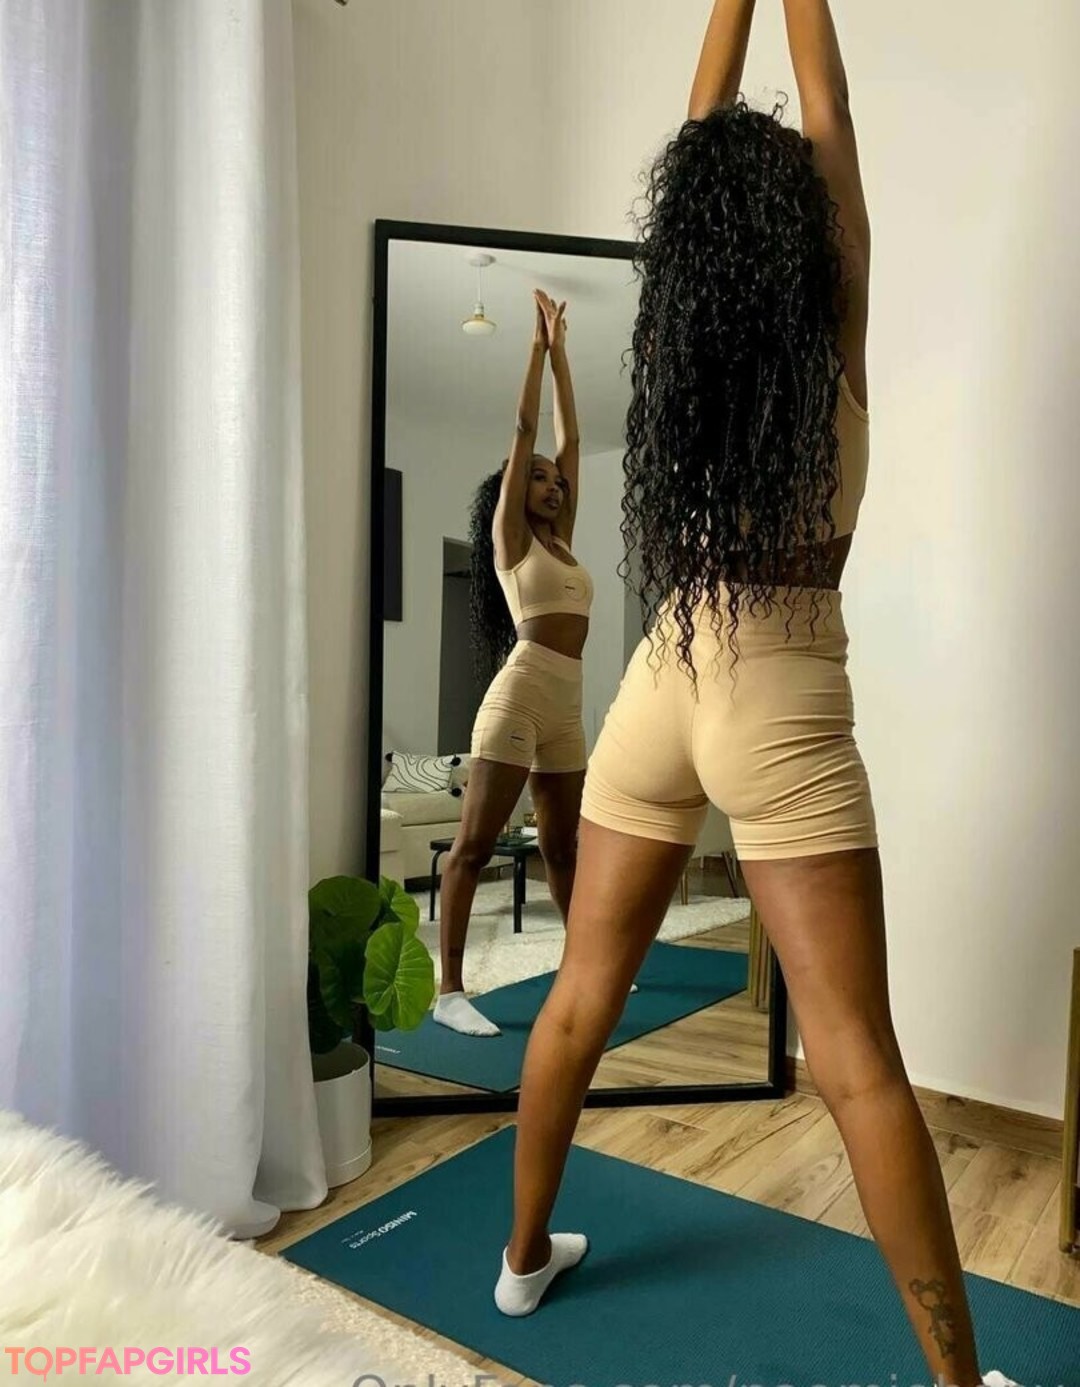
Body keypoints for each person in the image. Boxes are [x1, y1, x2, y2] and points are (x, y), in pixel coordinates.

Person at [492, 6, 1017, 1386]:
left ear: (699, 239)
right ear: (800, 236)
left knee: (579, 994)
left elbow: (706, 126)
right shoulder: (832, 334)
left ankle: (522, 1257)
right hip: (779, 681)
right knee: (857, 1059)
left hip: (664, 671)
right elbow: (830, 113)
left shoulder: (690, 351)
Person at [434, 290, 596, 1038]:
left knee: (563, 847)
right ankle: (449, 990)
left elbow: (570, 437)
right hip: (519, 697)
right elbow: (529, 428)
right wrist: (534, 350)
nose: (554, 483)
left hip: (567, 706)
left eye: (556, 480)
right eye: (538, 477)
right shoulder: (513, 541)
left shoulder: (562, 541)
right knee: (473, 847)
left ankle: (582, 968)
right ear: (511, 488)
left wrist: (564, 353)